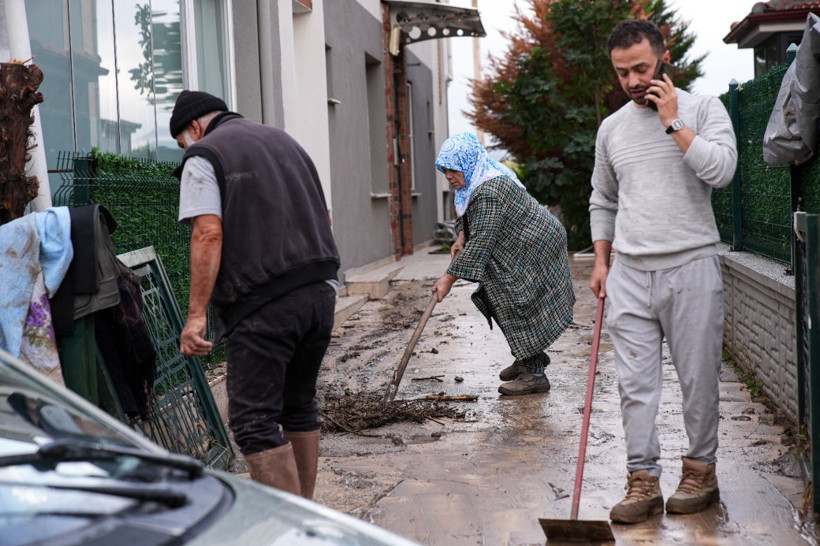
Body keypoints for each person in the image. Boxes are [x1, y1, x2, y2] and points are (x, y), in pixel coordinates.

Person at [588, 20, 737, 523]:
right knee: (635, 385)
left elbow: (722, 170)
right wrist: (602, 260)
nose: (632, 81)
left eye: (641, 69)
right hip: (629, 270)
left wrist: (674, 123)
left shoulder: (703, 108)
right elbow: (603, 198)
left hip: (691, 265)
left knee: (698, 381)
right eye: (622, 72)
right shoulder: (611, 128)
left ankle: (700, 472)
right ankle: (642, 481)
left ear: (663, 57)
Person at [169, 90, 340, 500]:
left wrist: (196, 317)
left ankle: (290, 530)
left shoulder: (205, 154)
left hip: (266, 302)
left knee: (252, 419)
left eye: (182, 143)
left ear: (194, 127)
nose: (185, 150)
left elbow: (208, 232)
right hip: (321, 292)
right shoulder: (285, 141)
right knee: (297, 405)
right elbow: (325, 216)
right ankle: (306, 517)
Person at [432, 133, 575, 396]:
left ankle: (534, 374)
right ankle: (529, 358)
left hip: (536, 246)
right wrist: (462, 236)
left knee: (514, 298)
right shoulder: (476, 181)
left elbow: (482, 243)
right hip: (522, 243)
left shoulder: (489, 190)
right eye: (445, 171)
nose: (449, 176)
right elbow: (469, 216)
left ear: (468, 163)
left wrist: (447, 279)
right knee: (495, 294)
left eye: (453, 169)